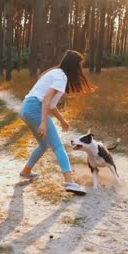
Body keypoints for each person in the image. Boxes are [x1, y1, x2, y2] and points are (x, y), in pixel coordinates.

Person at [18, 50, 96, 195]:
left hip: (25, 109)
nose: (80, 69)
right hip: (35, 108)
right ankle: (69, 182)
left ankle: (26, 171)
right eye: (79, 65)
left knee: (43, 145)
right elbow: (47, 99)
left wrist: (62, 121)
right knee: (58, 146)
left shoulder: (56, 73)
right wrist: (43, 123)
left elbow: (51, 105)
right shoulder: (61, 77)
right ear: (74, 65)